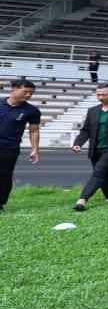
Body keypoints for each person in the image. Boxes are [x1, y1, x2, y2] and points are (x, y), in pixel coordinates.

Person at [71, 83, 108, 211]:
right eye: (98, 94)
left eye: (104, 94)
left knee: (98, 172)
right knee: (105, 174)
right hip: (96, 149)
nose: (100, 97)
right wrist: (77, 143)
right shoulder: (93, 111)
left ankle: (82, 200)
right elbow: (86, 130)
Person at [0, 78, 41, 214]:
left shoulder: (32, 111)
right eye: (25, 91)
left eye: (31, 93)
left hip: (9, 148)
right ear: (14, 88)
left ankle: (0, 203)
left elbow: (34, 131)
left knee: (4, 176)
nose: (28, 95)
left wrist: (34, 149)